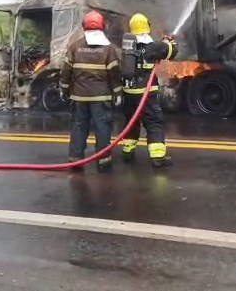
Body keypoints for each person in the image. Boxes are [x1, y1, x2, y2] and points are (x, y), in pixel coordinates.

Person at [59, 10, 123, 172]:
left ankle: (75, 159)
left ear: (84, 26)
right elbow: (114, 74)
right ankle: (104, 160)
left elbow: (66, 72)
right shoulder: (108, 49)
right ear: (102, 27)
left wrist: (64, 90)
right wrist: (118, 93)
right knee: (102, 128)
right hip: (101, 98)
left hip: (79, 98)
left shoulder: (74, 47)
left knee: (79, 127)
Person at [121, 13, 178, 168]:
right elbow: (172, 51)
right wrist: (170, 41)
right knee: (154, 122)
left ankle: (127, 152)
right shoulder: (153, 47)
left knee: (131, 122)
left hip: (129, 93)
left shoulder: (127, 48)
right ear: (147, 26)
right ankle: (158, 157)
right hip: (146, 94)